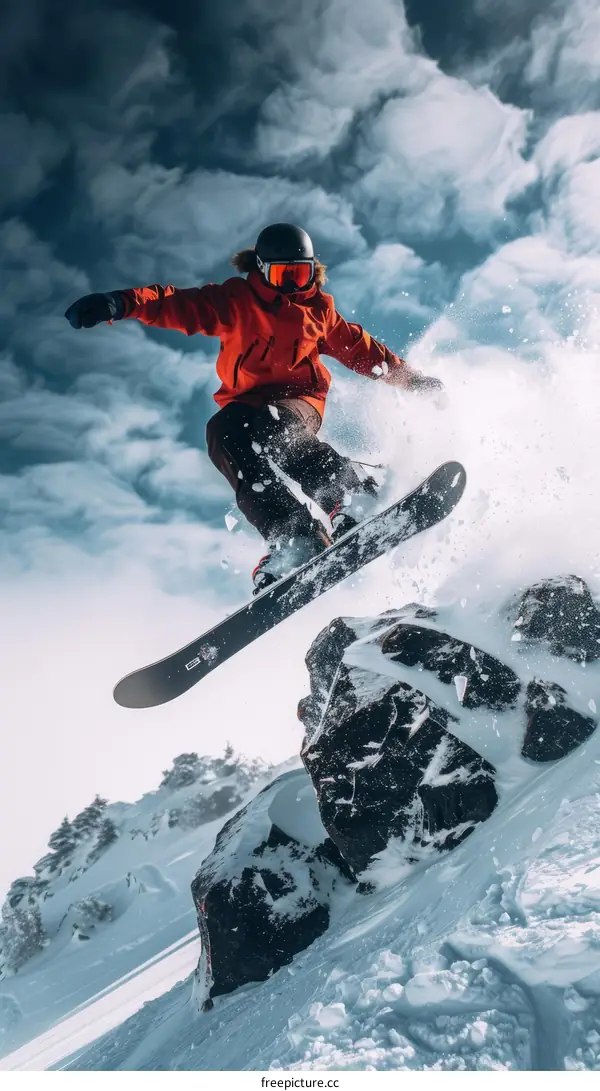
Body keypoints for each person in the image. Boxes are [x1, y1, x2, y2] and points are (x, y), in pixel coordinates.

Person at [65, 223, 443, 591]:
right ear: (261, 270)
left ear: (314, 271)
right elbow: (174, 303)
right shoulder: (233, 302)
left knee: (275, 425)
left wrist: (411, 380)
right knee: (222, 433)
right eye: (284, 276)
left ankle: (349, 493)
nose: (295, 286)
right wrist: (119, 304)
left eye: (302, 275)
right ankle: (294, 534)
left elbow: (362, 350)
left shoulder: (319, 313)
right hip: (247, 404)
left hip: (300, 402)